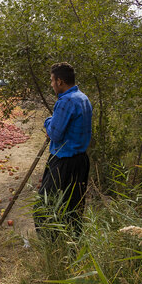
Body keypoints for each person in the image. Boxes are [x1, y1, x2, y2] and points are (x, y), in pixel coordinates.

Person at [34, 62, 92, 238]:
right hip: (81, 161)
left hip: (63, 162)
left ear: (60, 81)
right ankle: (72, 246)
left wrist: (47, 121)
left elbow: (55, 134)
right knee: (73, 208)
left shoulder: (66, 101)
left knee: (43, 207)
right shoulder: (83, 98)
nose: (51, 84)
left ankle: (50, 247)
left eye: (52, 80)